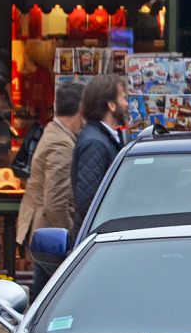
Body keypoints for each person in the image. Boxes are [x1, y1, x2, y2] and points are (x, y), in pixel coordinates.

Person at [16, 79, 84, 296]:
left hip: (44, 233)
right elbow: (54, 205)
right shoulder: (61, 145)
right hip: (51, 237)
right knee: (59, 296)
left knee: (44, 295)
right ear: (81, 108)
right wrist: (72, 243)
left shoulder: (55, 133)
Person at [71, 74, 128, 230]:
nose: (127, 104)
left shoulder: (102, 138)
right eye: (123, 98)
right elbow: (88, 203)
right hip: (100, 239)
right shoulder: (95, 143)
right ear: (112, 105)